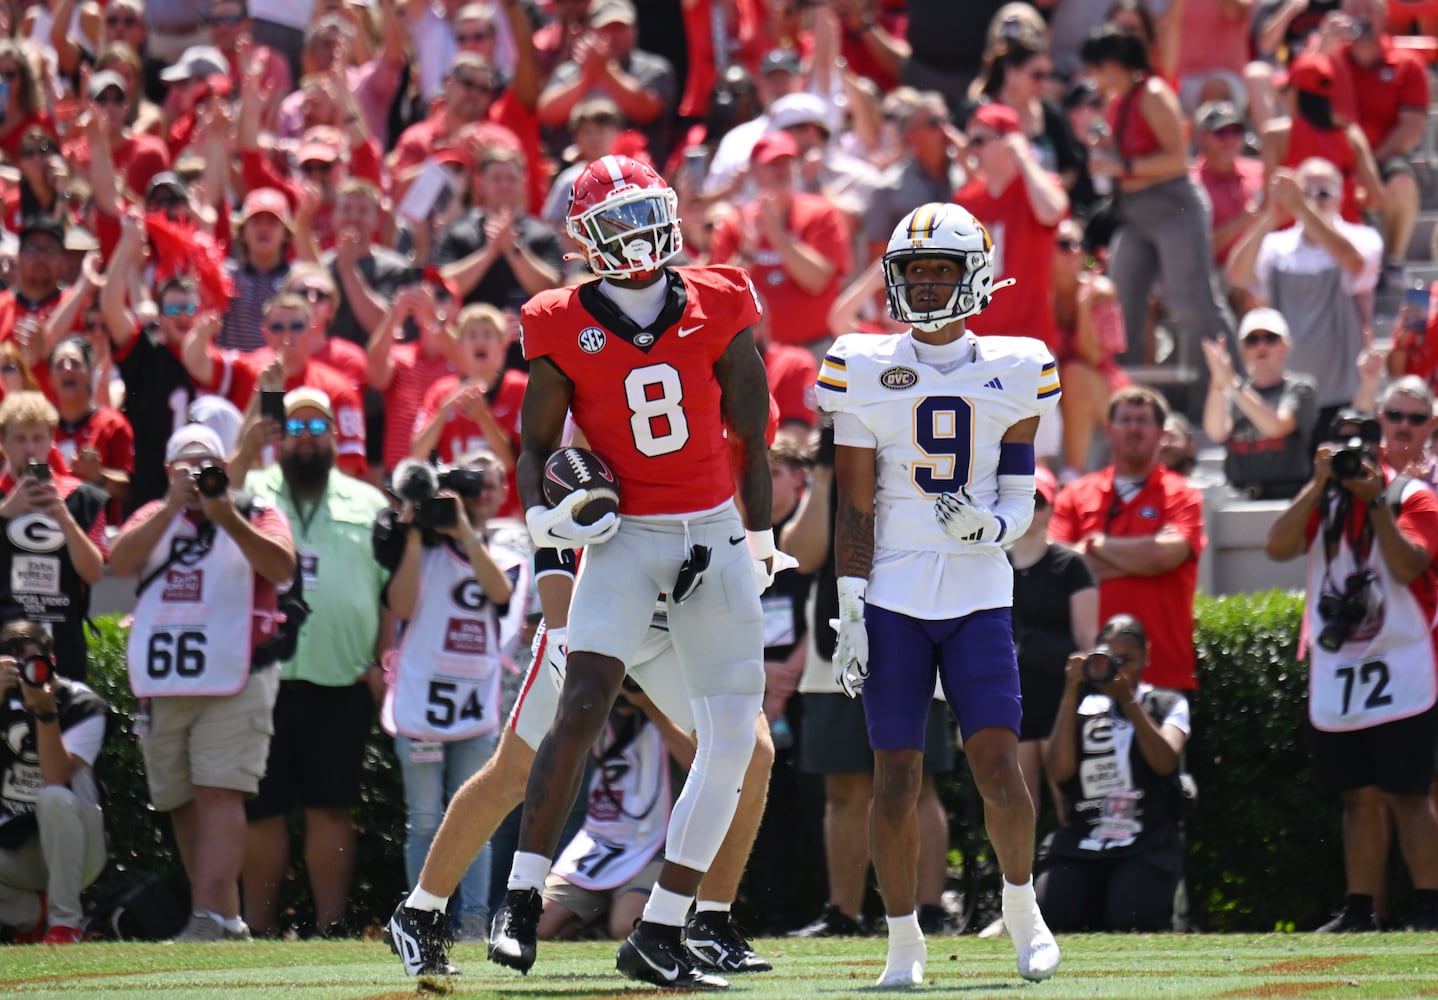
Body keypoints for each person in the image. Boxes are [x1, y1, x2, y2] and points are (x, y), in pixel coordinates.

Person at [486, 155, 777, 991]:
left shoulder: (721, 299)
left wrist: (758, 543)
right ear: (585, 239)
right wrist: (546, 514)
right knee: (579, 705)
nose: (636, 234)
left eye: (643, 214)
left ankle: (662, 928)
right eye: (614, 222)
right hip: (622, 538)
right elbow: (537, 448)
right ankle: (519, 898)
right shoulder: (557, 319)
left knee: (729, 744)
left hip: (713, 532)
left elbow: (752, 438)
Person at [817, 201, 1061, 987]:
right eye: (912, 272)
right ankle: (903, 943)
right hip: (892, 590)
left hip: (980, 589)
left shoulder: (1018, 367)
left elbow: (1021, 492)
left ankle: (1022, 912)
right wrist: (851, 602)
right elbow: (854, 503)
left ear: (975, 276)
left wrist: (989, 530)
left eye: (939, 271)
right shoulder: (859, 364)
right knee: (895, 774)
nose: (923, 286)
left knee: (997, 764)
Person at [108, 424, 297, 942]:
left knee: (219, 793)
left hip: (237, 678)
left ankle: (208, 919)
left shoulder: (255, 510)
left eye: (207, 465)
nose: (196, 476)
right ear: (169, 473)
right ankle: (220, 917)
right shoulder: (154, 515)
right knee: (180, 799)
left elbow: (281, 567)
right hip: (168, 682)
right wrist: (171, 507)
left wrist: (225, 517)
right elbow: (118, 565)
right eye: (185, 467)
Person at [1264, 409, 1438, 932]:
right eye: (1340, 448)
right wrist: (1318, 485)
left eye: (1361, 447)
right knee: (1356, 794)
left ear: (1379, 450)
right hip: (1342, 668)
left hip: (1401, 661)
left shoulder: (1413, 497)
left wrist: (1376, 501)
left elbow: (1409, 565)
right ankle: (1360, 908)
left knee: (1409, 792)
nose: (1352, 458)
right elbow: (1277, 546)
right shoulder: (1325, 500)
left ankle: (1430, 906)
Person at [238, 388, 389, 938]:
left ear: (335, 434)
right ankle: (256, 928)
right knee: (262, 811)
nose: (306, 440)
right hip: (260, 680)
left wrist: (380, 658)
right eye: (295, 430)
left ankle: (331, 927)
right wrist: (243, 446)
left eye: (316, 428)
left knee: (332, 809)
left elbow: (389, 594)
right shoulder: (253, 490)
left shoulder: (368, 503)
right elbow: (213, 504)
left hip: (340, 681)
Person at [379, 450, 528, 942]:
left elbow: (501, 596)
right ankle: (423, 922)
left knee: (475, 822)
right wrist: (418, 530)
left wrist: (464, 533)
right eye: (465, 489)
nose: (472, 498)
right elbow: (400, 605)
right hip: (421, 701)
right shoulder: (418, 551)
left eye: (484, 488)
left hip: (474, 708)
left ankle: (471, 921)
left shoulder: (504, 556)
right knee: (423, 819)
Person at [1080, 24, 1234, 387]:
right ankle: (1120, 393)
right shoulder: (1118, 102)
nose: (1093, 77)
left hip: (1173, 209)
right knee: (1122, 298)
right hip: (1135, 214)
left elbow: (1179, 160)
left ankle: (1225, 388)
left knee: (1193, 302)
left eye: (1096, 68)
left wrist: (1125, 166)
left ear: (1112, 65)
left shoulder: (1153, 93)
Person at [1036, 613, 1192, 931]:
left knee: (1132, 919)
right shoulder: (1079, 706)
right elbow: (1059, 771)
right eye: (1109, 658)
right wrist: (1069, 691)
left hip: (1146, 839)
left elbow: (1165, 761)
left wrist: (1129, 702)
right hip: (1083, 837)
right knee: (1055, 913)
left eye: (1127, 660)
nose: (1116, 668)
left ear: (1146, 657)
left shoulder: (1167, 703)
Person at [1049, 387, 1207, 693]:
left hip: (1163, 672)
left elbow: (1166, 556)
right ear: (1108, 431)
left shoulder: (1183, 494)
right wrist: (1142, 562)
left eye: (1143, 420)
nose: (1134, 428)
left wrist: (1096, 546)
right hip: (1087, 672)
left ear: (1161, 433)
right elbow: (1059, 571)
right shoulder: (1075, 495)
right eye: (1126, 420)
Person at [1225, 156, 1383, 440]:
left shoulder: (1364, 237)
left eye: (1322, 193)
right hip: (1287, 397)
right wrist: (1270, 216)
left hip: (1345, 390)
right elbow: (1237, 275)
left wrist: (1301, 207)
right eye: (1305, 192)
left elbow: (1354, 263)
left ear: (1340, 195)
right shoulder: (1276, 245)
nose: (1313, 201)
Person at [537, 680, 694, 941]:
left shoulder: (674, 714)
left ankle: (628, 915)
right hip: (600, 844)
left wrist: (652, 707)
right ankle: (595, 916)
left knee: (628, 926)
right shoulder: (598, 716)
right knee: (541, 924)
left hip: (655, 847)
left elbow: (697, 761)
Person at [0, 620, 109, 945]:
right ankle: (34, 915)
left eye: (33, 663)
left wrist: (45, 712)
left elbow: (56, 776)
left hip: (78, 845)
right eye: (15, 667)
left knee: (53, 797)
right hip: (14, 845)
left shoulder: (83, 704)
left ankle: (66, 925)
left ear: (53, 663)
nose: (25, 674)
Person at [1008, 466, 1099, 820]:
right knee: (1018, 805)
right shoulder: (995, 564)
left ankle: (1075, 872)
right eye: (1021, 500)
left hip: (1059, 698)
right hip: (1012, 698)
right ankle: (1018, 877)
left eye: (1038, 500)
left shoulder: (1071, 565)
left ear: (1051, 508)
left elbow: (1086, 642)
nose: (1030, 509)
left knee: (1069, 801)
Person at [0, 391, 108, 681]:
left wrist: (63, 518)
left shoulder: (82, 498)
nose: (30, 448)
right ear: (3, 443)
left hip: (64, 643)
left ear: (51, 440)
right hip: (4, 648)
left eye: (38, 438)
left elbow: (94, 572)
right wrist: (5, 513)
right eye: (20, 439)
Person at [1202, 307, 1318, 500]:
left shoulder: (1301, 388)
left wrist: (1231, 383)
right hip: (1239, 498)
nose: (1261, 345)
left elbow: (1277, 426)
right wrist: (1218, 380)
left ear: (1285, 346)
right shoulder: (1233, 392)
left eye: (1270, 338)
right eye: (1252, 340)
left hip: (1290, 499)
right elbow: (1216, 431)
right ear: (1243, 351)